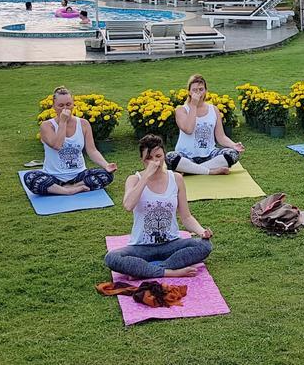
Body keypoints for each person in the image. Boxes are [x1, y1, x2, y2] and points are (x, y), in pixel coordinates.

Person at [103, 134, 213, 279]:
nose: (155, 161)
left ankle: (145, 271)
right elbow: (128, 205)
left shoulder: (176, 178)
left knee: (204, 246)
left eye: (158, 156)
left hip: (171, 244)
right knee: (112, 258)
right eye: (149, 158)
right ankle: (169, 272)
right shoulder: (134, 179)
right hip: (141, 247)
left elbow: (186, 216)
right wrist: (146, 176)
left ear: (164, 156)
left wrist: (201, 231)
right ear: (142, 160)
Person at [25, 86, 117, 196]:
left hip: (79, 176)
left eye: (68, 105)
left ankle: (71, 187)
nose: (65, 108)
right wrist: (63, 122)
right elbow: (57, 145)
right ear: (54, 107)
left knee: (106, 175)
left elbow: (92, 150)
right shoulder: (47, 126)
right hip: (53, 176)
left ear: (73, 104)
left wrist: (106, 165)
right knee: (30, 178)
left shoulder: (83, 124)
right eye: (61, 105)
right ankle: (67, 190)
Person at [166, 74, 244, 175]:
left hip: (209, 156)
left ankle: (191, 171)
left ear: (206, 91)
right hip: (186, 156)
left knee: (232, 154)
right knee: (171, 157)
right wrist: (193, 105)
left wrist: (234, 145)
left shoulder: (213, 109)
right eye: (194, 90)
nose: (198, 93)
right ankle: (210, 171)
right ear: (189, 92)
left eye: (201, 89)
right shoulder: (181, 110)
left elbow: (221, 137)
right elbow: (189, 130)